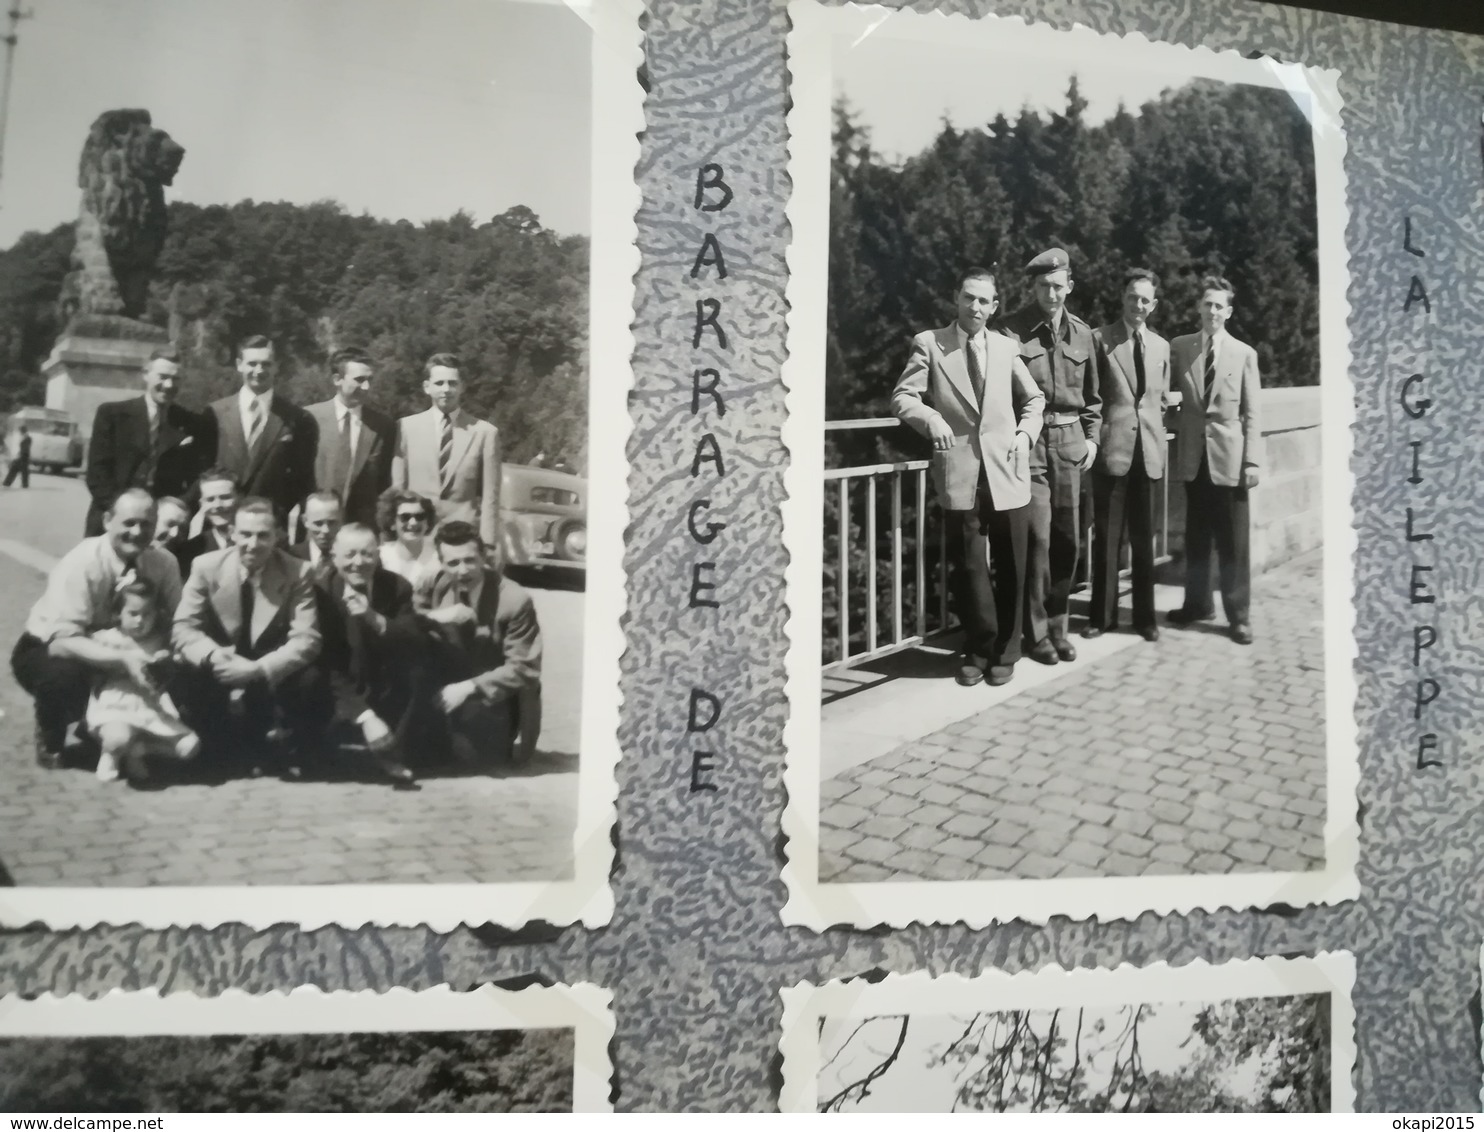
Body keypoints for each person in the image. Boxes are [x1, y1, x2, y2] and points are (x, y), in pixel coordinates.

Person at [891, 267, 1045, 688]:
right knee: (971, 567)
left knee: (1013, 565)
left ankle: (1008, 651)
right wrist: (930, 417)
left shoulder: (1005, 346)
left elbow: (1034, 398)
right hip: (960, 473)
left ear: (994, 308)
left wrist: (1025, 434)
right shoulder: (931, 344)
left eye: (983, 301)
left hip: (1007, 470)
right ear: (956, 299)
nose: (974, 307)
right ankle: (978, 648)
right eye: (968, 298)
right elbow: (903, 396)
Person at [10, 488, 182, 767]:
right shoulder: (83, 561)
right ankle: (50, 732)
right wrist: (124, 660)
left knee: (177, 669)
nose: (137, 532)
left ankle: (118, 729)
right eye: (129, 523)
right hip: (51, 648)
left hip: (130, 644)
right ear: (106, 521)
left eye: (146, 524)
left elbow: (180, 621)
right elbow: (63, 641)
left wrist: (167, 655)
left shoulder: (164, 563)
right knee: (63, 678)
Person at [999, 247, 1102, 665]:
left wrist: (1092, 439)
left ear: (1070, 287)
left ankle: (1059, 627)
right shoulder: (1012, 333)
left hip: (1073, 445)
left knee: (1067, 540)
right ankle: (1036, 632)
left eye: (1058, 286)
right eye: (1044, 286)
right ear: (1033, 287)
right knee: (1038, 540)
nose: (1052, 294)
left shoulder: (1084, 334)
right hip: (1034, 445)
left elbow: (1094, 398)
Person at [173, 496, 326, 776]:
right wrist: (213, 656)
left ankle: (291, 747)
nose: (253, 544)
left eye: (262, 536)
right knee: (186, 668)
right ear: (232, 532)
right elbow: (183, 627)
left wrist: (258, 669)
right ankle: (212, 744)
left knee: (311, 679)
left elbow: (307, 638)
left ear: (278, 536)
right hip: (221, 665)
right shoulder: (206, 566)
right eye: (245, 534)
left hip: (267, 669)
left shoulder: (297, 571)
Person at [1167, 276, 1263, 645]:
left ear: (1229, 312)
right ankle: (1197, 604)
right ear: (1199, 308)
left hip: (1231, 459)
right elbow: (1165, 393)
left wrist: (1252, 461)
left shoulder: (1244, 354)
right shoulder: (1181, 347)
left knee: (1233, 542)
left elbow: (1253, 413)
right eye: (1207, 304)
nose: (1212, 311)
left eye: (1219, 306)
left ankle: (1238, 615)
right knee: (1196, 538)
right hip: (1193, 456)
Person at [1084, 268, 1171, 643]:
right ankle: (1101, 617)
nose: (1138, 305)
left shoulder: (1162, 347)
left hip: (1148, 452)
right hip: (1112, 451)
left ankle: (1144, 618)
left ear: (1154, 305)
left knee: (1142, 539)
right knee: (1106, 537)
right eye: (1133, 296)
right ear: (1123, 298)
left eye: (1145, 299)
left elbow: (1159, 398)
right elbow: (1092, 396)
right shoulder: (1100, 339)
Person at [415, 521, 541, 765]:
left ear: (483, 555)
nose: (462, 570)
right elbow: (406, 624)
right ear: (440, 563)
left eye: (470, 560)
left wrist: (466, 687)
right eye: (452, 563)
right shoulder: (436, 584)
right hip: (449, 686)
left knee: (475, 756)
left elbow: (524, 668)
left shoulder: (515, 600)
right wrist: (434, 616)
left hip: (494, 697)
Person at [315, 523, 422, 785]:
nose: (358, 563)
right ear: (334, 558)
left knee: (417, 667)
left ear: (378, 556)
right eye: (349, 555)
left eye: (367, 554)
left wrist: (372, 617)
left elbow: (411, 639)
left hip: (381, 677)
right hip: (339, 684)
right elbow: (324, 659)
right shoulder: (321, 591)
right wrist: (364, 714)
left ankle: (392, 752)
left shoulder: (398, 587)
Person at [83, 344, 215, 536]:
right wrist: (124, 512)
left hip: (166, 528)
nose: (169, 385)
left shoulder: (191, 423)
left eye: (176, 379)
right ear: (146, 374)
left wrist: (176, 509)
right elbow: (97, 476)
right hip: (112, 522)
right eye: (163, 377)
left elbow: (198, 478)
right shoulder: (112, 415)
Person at [86, 578, 200, 785]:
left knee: (190, 746)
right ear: (118, 614)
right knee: (118, 738)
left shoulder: (159, 640)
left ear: (156, 614)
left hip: (151, 705)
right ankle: (111, 754)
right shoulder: (107, 639)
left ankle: (138, 750)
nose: (140, 621)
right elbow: (90, 664)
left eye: (147, 614)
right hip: (118, 701)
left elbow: (174, 665)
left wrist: (168, 661)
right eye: (133, 614)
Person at [392, 353, 502, 551]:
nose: (446, 389)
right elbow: (398, 490)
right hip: (416, 535)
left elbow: (490, 497)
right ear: (427, 387)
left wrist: (489, 544)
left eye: (452, 383)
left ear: (462, 387)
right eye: (439, 383)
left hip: (462, 539)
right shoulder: (405, 428)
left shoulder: (485, 433)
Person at [206, 335, 314, 523]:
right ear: (239, 364)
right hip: (223, 520)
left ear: (276, 367)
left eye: (266, 364)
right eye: (252, 364)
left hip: (270, 524)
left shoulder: (297, 418)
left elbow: (303, 480)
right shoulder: (215, 413)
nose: (259, 370)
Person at [305, 346, 396, 528]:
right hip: (317, 528)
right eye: (359, 380)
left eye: (370, 380)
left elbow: (384, 483)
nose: (366, 387)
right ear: (337, 379)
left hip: (361, 530)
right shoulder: (309, 418)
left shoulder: (383, 426)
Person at [376, 487, 442, 591]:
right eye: (405, 517)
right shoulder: (380, 557)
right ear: (392, 523)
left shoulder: (439, 559)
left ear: (427, 523)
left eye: (420, 516)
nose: (413, 523)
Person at [175, 467, 240, 574]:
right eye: (210, 499)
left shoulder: (257, 540)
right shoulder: (190, 551)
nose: (217, 505)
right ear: (201, 504)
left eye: (225, 497)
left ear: (240, 498)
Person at [290, 490, 343, 583]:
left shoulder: (350, 559)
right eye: (318, 523)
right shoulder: (291, 557)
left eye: (332, 523)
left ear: (341, 521)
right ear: (305, 521)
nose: (326, 530)